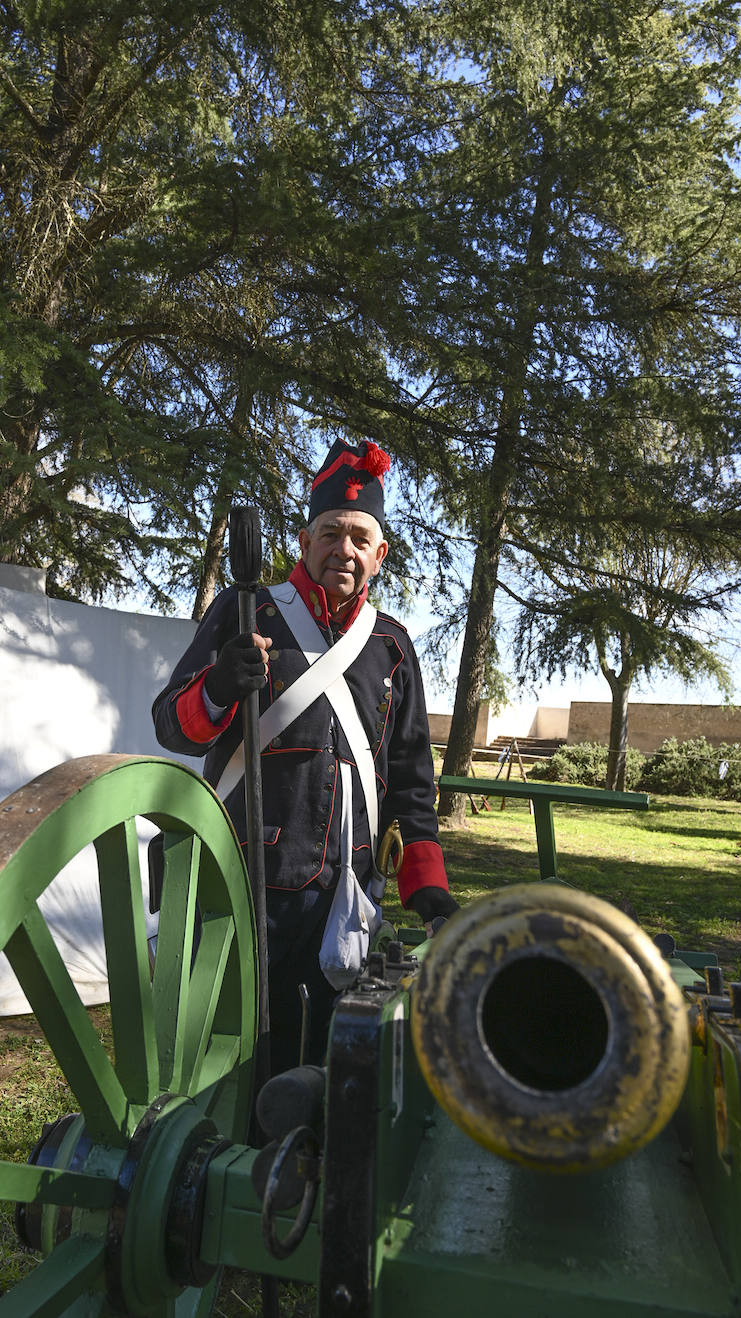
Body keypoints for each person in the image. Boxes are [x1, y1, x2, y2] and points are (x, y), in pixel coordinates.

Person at [153, 439, 457, 1073]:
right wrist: (217, 687)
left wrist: (427, 893)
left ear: (379, 553)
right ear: (304, 540)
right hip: (246, 883)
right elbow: (173, 729)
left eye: (358, 537)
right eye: (330, 533)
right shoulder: (248, 611)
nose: (342, 548)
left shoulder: (392, 646)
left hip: (346, 894)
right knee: (232, 1062)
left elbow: (410, 781)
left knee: (328, 1059)